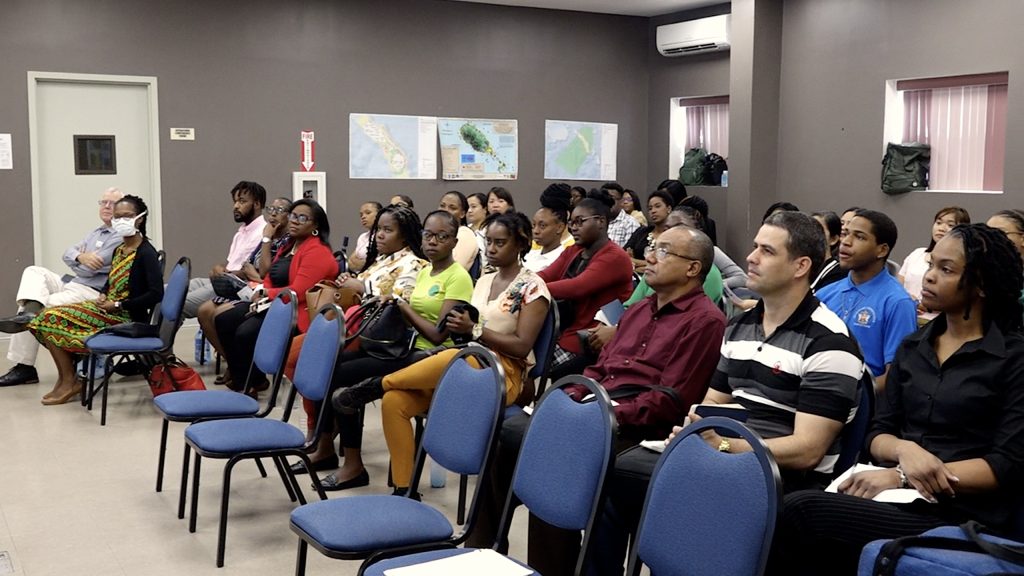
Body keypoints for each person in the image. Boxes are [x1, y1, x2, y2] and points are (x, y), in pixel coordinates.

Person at [587, 211, 865, 576]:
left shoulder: (829, 341)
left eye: (767, 251)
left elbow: (807, 451)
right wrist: (694, 431)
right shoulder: (741, 325)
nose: (750, 257)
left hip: (781, 475)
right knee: (613, 477)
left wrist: (726, 447)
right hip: (728, 454)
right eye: (755, 247)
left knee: (674, 492)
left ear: (800, 266)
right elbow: (711, 403)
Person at [769, 223, 1024, 576]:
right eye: (931, 265)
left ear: (981, 284)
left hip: (964, 511)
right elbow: (878, 432)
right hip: (899, 494)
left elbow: (1005, 465)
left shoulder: (1013, 358)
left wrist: (905, 476)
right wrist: (905, 452)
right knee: (786, 506)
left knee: (802, 511)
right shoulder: (914, 347)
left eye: (945, 269)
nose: (929, 277)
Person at [333, 211, 550, 496]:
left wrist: (473, 330)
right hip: (468, 364)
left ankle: (378, 383)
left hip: (503, 374)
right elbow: (462, 330)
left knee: (453, 357)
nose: (493, 249)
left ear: (520, 245)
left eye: (501, 243)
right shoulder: (484, 280)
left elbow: (522, 346)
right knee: (394, 402)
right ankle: (404, 489)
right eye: (490, 243)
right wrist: (463, 329)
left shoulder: (533, 287)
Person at [305, 210, 473, 491]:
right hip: (401, 348)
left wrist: (401, 305)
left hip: (430, 357)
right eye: (428, 235)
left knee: (341, 377)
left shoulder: (458, 278)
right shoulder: (426, 271)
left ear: (454, 242)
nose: (433, 242)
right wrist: (390, 302)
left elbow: (437, 335)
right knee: (332, 364)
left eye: (441, 236)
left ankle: (353, 464)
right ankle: (333, 450)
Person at [285, 204, 427, 459]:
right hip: (358, 333)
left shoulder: (414, 264)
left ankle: (344, 454)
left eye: (388, 230)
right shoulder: (382, 260)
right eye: (378, 230)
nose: (380, 235)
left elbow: (401, 302)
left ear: (404, 235)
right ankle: (323, 440)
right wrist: (349, 284)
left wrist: (360, 286)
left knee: (327, 370)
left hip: (385, 344)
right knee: (314, 362)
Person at [21, 195, 163, 405]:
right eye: (117, 217)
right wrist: (105, 293)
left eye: (127, 216)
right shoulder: (119, 250)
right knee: (41, 318)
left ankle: (71, 380)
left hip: (125, 316)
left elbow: (155, 294)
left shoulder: (146, 253)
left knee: (50, 317)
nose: (121, 221)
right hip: (106, 307)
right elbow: (111, 281)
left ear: (139, 219)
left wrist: (118, 305)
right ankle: (66, 378)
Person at [0, 187, 125, 387]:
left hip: (92, 291)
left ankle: (24, 367)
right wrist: (80, 256)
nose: (107, 206)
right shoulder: (96, 232)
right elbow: (68, 253)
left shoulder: (120, 236)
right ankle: (29, 315)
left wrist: (80, 261)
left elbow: (94, 267)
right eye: (103, 202)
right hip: (73, 283)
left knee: (35, 306)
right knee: (34, 271)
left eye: (113, 203)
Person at [214, 199, 338, 393]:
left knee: (245, 333)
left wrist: (265, 292)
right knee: (223, 319)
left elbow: (297, 291)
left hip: (297, 312)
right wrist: (262, 290)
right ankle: (252, 379)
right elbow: (271, 275)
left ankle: (246, 387)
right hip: (276, 303)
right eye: (293, 216)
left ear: (315, 225)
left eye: (302, 218)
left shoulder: (318, 252)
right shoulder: (289, 245)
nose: (295, 221)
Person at [197, 196, 292, 388]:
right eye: (271, 210)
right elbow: (249, 265)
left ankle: (245, 372)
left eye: (279, 211)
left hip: (265, 294)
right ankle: (235, 365)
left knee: (217, 314)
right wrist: (229, 273)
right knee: (204, 310)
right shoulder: (269, 236)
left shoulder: (284, 241)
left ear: (289, 217)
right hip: (247, 286)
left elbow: (266, 273)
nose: (273, 215)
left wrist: (266, 240)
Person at [817, 209, 918, 389]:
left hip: (864, 403)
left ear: (882, 250)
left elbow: (894, 377)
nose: (846, 242)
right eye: (845, 234)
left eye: (859, 237)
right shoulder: (824, 294)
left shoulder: (897, 303)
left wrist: (849, 396)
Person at [538, 194, 633, 378]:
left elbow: (577, 286)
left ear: (601, 222)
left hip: (588, 339)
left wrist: (534, 288)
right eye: (571, 222)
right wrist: (526, 282)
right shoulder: (574, 250)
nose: (573, 227)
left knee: (529, 361)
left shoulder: (615, 257)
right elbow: (545, 275)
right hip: (563, 330)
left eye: (580, 222)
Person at [183, 181, 267, 318]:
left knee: (179, 303)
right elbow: (232, 262)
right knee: (169, 291)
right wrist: (219, 267)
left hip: (233, 287)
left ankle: (162, 338)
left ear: (256, 204)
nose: (236, 206)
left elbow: (250, 272)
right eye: (235, 202)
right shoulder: (241, 233)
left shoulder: (263, 232)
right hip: (221, 280)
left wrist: (223, 275)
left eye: (241, 201)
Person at [899, 206, 970, 307]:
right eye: (938, 223)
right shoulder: (917, 253)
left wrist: (919, 305)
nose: (941, 228)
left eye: (950, 225)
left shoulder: (961, 261)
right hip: (906, 312)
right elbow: (898, 286)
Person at [623, 189, 674, 273]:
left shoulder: (675, 234)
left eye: (657, 206)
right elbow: (624, 257)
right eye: (650, 208)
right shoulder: (642, 231)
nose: (653, 211)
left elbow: (667, 265)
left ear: (668, 208)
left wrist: (634, 262)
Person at [524, 184, 572, 273]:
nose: (535, 231)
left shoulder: (560, 259)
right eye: (533, 225)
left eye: (542, 226)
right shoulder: (531, 253)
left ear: (560, 227)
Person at [437, 190, 479, 271]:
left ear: (462, 214)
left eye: (452, 208)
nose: (445, 210)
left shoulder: (464, 234)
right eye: (442, 206)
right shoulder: (437, 234)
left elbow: (452, 268)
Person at [811, 210, 845, 291]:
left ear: (833, 239)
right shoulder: (799, 268)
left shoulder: (838, 274)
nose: (809, 234)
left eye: (817, 230)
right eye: (807, 228)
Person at [600, 182, 641, 248]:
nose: (607, 202)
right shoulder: (596, 221)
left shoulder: (630, 223)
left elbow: (628, 254)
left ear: (621, 201)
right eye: (604, 199)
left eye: (611, 198)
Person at [348, 201, 381, 272]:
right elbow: (350, 262)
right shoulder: (362, 237)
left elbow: (377, 264)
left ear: (379, 214)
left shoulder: (382, 237)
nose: (363, 217)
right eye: (361, 215)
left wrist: (363, 263)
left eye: (368, 213)